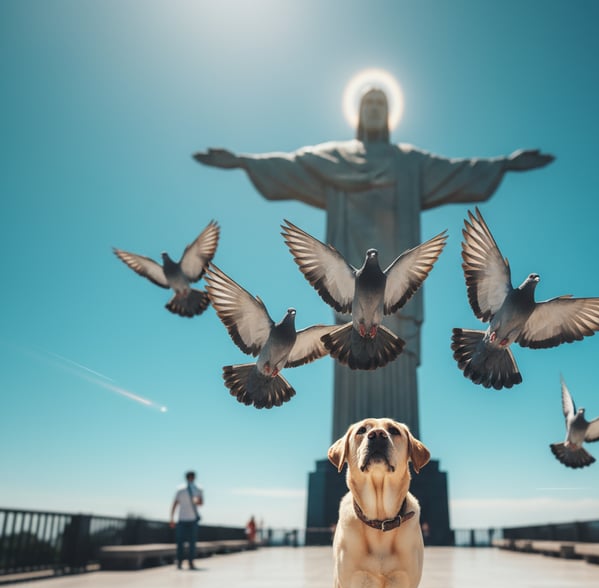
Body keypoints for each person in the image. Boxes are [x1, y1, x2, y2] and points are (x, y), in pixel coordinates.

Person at [194, 87, 554, 440]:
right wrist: (242, 161)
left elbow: (457, 171)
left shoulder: (409, 161)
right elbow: (292, 166)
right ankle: (350, 449)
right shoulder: (335, 157)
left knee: (394, 356)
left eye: (383, 103)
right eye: (369, 103)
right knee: (346, 350)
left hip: (396, 288)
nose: (376, 110)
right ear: (358, 114)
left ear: (391, 114)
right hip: (349, 291)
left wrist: (505, 165)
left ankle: (402, 450)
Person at [169, 470, 204, 570]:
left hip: (187, 519)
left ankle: (185, 562)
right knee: (186, 542)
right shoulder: (187, 489)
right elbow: (175, 503)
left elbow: (175, 504)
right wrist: (172, 518)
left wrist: (171, 518)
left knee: (186, 542)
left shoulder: (195, 489)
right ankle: (185, 562)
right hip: (186, 519)